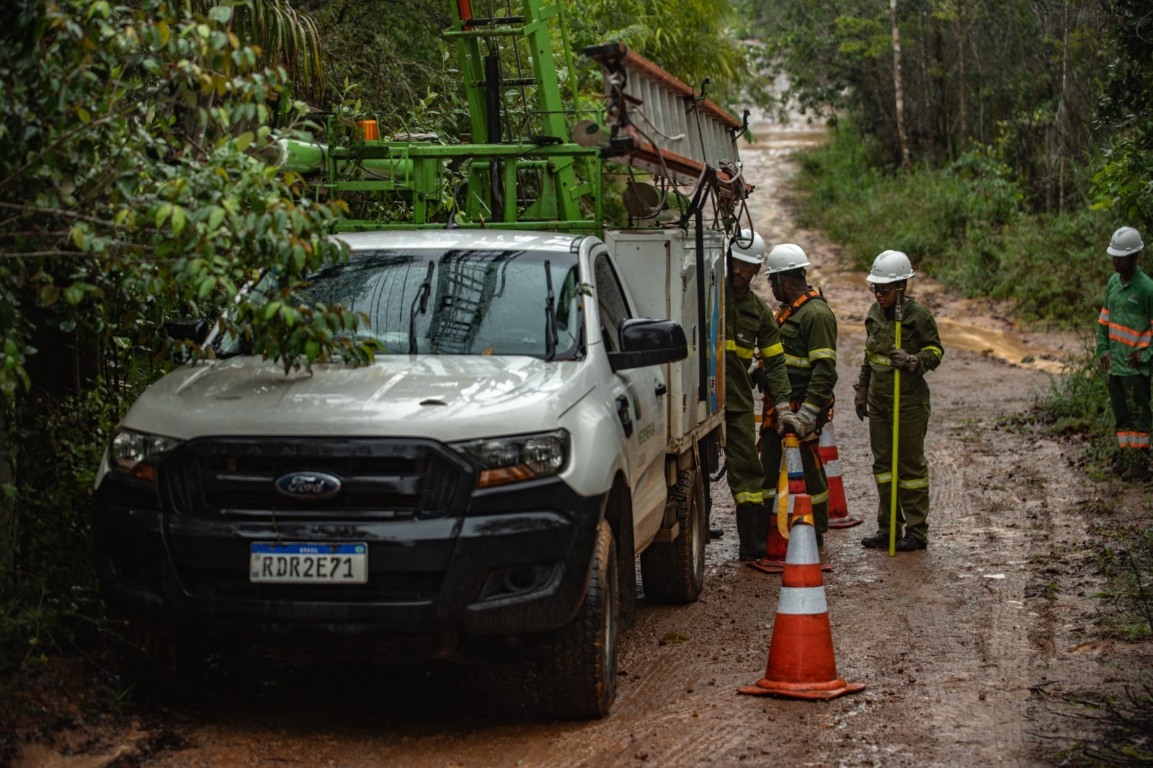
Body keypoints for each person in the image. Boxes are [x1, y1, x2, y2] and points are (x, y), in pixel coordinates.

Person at [854, 250, 943, 552]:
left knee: (909, 468)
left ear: (902, 287)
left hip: (908, 403)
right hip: (879, 402)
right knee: (883, 467)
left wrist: (913, 360)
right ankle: (888, 527)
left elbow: (936, 352)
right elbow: (869, 355)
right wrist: (862, 389)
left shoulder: (919, 316)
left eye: (885, 290)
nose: (879, 295)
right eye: (875, 289)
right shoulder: (874, 314)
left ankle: (916, 532)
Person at [723, 229, 795, 560]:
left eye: (746, 267)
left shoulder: (760, 313)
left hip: (735, 403)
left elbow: (776, 363)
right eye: (735, 263)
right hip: (695, 404)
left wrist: (783, 406)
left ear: (756, 272)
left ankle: (751, 547)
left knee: (749, 474)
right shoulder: (706, 295)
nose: (738, 271)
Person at [759, 243, 838, 545]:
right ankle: (769, 531)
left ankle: (813, 533)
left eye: (771, 281)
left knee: (808, 471)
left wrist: (807, 414)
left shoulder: (816, 315)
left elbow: (824, 371)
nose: (771, 287)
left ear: (782, 280)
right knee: (768, 470)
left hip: (801, 409)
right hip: (779, 408)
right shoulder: (788, 312)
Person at [1096, 226, 1153, 479]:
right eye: (1113, 256)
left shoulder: (1147, 289)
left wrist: (1146, 354)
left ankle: (1139, 463)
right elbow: (1104, 321)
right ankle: (1123, 457)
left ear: (1134, 257)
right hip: (1115, 365)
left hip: (1134, 367)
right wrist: (1103, 348)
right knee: (1121, 415)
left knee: (1138, 414)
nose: (1115, 261)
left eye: (1120, 257)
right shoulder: (1113, 284)